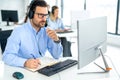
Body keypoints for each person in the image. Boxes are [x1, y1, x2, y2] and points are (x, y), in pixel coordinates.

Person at [2, 0, 63, 69]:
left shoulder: (47, 31)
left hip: (40, 69)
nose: (44, 19)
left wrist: (56, 40)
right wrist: (25, 62)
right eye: (40, 15)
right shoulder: (18, 32)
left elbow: (57, 56)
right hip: (22, 70)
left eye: (46, 15)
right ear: (31, 14)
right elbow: (6, 56)